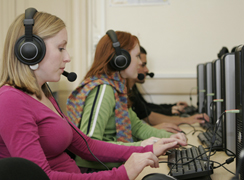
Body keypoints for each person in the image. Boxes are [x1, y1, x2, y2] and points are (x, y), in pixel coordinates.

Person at [0, 8, 187, 180]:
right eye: (60, 48)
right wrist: (123, 173)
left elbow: (86, 144)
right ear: (30, 51)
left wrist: (150, 147)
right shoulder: (11, 100)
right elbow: (41, 177)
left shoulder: (43, 93)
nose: (67, 57)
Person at [66, 30, 187, 170]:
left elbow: (136, 126)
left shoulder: (117, 89)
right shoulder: (103, 90)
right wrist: (143, 146)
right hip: (95, 171)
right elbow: (89, 145)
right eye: (137, 56)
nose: (140, 62)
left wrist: (171, 138)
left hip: (113, 167)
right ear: (121, 60)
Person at [127, 46, 209, 127]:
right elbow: (148, 116)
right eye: (142, 64)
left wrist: (171, 107)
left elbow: (145, 108)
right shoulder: (124, 91)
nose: (147, 70)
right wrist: (186, 120)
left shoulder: (132, 88)